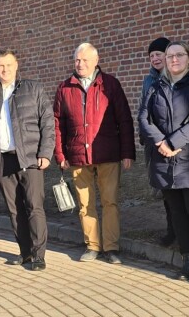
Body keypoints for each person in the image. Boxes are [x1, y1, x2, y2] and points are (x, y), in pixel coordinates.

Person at [139, 41, 189, 286]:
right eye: (170, 55)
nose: (174, 60)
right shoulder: (156, 86)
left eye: (179, 55)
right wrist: (160, 141)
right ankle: (187, 259)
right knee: (178, 214)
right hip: (165, 162)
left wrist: (173, 142)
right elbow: (143, 116)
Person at [53, 43, 135, 264]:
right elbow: (57, 124)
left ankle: (111, 247)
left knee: (110, 202)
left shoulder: (110, 85)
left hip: (108, 153)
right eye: (77, 60)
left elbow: (124, 120)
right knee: (85, 204)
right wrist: (60, 154)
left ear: (96, 61)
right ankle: (92, 245)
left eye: (85, 60)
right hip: (78, 155)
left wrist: (128, 152)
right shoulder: (65, 88)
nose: (80, 64)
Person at [0, 49, 55, 271]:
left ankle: (39, 255)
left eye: (8, 65)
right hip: (2, 160)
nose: (5, 69)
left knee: (34, 207)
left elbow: (47, 122)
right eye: (0, 65)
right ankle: (25, 252)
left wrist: (45, 153)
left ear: (17, 65)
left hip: (29, 158)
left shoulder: (33, 89)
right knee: (14, 209)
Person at [140, 36, 179, 247]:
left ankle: (183, 232)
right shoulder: (148, 80)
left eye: (158, 54)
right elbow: (143, 110)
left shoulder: (175, 77)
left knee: (179, 188)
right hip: (154, 142)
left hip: (173, 142)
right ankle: (171, 231)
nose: (155, 58)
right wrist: (144, 136)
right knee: (164, 190)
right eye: (151, 55)